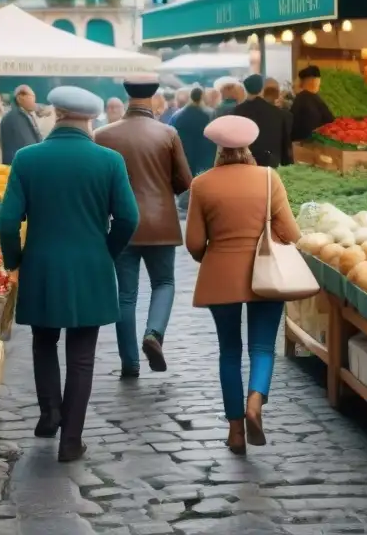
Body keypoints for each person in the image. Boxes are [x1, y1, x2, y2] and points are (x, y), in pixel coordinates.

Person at [0, 86, 139, 462]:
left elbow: (8, 221)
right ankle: (71, 439)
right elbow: (128, 218)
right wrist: (105, 251)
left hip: (41, 265)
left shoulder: (27, 159)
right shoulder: (109, 161)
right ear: (90, 119)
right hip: (91, 266)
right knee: (82, 356)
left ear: (56, 113)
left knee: (43, 342)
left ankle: (50, 412)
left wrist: (15, 260)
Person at [185, 115, 301, 455]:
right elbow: (292, 234)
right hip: (268, 276)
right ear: (249, 146)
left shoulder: (202, 184)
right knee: (262, 347)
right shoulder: (268, 179)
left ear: (218, 148)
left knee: (229, 351)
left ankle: (236, 432)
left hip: (220, 275)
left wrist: (214, 253)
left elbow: (194, 243)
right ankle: (255, 401)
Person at [95, 76, 192, 377]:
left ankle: (129, 363)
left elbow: (99, 184)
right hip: (161, 222)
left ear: (126, 97)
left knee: (125, 294)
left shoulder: (102, 135)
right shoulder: (168, 133)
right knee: (164, 283)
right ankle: (154, 333)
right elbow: (185, 182)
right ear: (154, 98)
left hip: (122, 224)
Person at [171, 87, 216, 212]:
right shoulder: (210, 114)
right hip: (205, 154)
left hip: (185, 153)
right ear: (202, 97)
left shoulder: (178, 115)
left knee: (187, 179)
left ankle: (186, 204)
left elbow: (171, 134)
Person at [234, 74, 292, 168]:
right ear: (262, 89)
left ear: (245, 89)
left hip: (244, 163)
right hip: (271, 163)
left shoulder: (236, 112)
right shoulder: (279, 113)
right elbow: (285, 145)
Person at [0, 84, 43, 164]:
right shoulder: (14, 118)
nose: (34, 100)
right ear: (20, 98)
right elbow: (26, 143)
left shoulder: (24, 115)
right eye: (32, 96)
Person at [290, 65, 335, 142]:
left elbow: (292, 123)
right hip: (317, 142)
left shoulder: (301, 98)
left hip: (304, 143)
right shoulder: (315, 99)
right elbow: (331, 120)